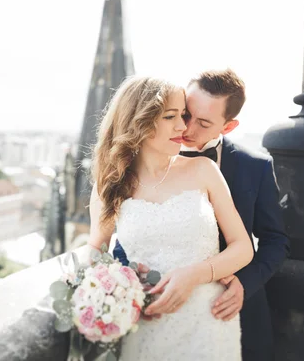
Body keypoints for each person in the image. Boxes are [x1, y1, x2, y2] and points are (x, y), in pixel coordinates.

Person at [114, 68, 290, 361]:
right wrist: (131, 288)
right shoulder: (143, 162)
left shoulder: (255, 167)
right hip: (155, 313)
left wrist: (243, 285)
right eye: (184, 114)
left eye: (203, 122)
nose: (186, 128)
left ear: (228, 126)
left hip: (228, 311)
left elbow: (275, 241)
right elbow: (129, 235)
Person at [88, 75, 254, 360]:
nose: (182, 126)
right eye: (171, 117)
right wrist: (124, 293)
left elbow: (242, 247)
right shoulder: (110, 185)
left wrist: (192, 275)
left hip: (208, 322)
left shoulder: (204, 170)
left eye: (183, 115)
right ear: (139, 121)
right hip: (146, 324)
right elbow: (96, 251)